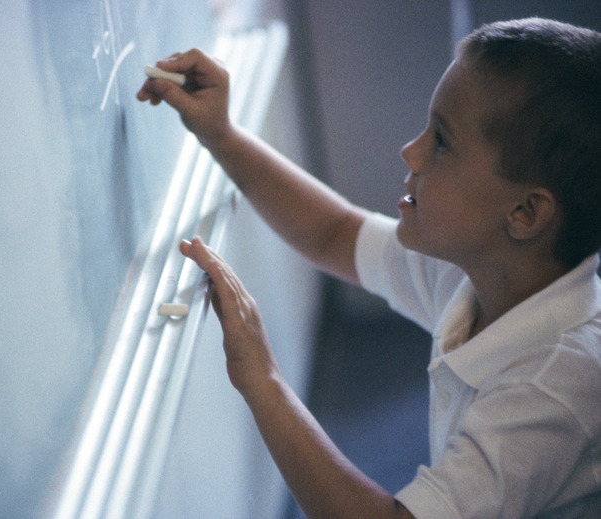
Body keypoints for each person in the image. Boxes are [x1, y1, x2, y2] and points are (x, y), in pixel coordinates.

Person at [137, 17, 601, 518]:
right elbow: (334, 231)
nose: (412, 150)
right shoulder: (478, 272)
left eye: (441, 140)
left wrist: (263, 379)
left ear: (524, 213)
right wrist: (223, 135)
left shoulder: (552, 388)